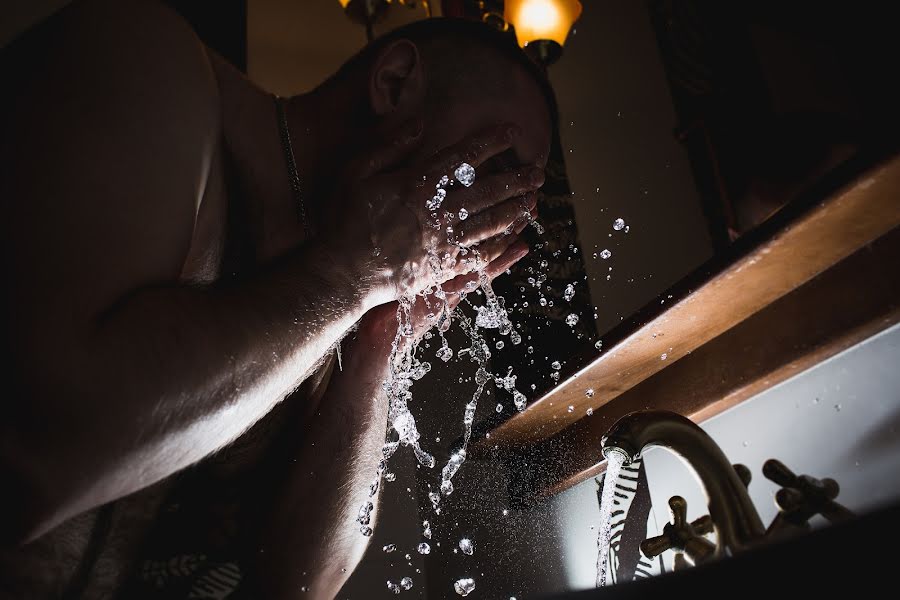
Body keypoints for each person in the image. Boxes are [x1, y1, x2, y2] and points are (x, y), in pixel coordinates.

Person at [0, 0, 554, 597]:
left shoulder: (345, 291)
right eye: (498, 165)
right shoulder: (141, 59)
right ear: (393, 85)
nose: (502, 214)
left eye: (521, 200)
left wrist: (383, 339)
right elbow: (30, 464)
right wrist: (349, 275)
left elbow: (297, 587)